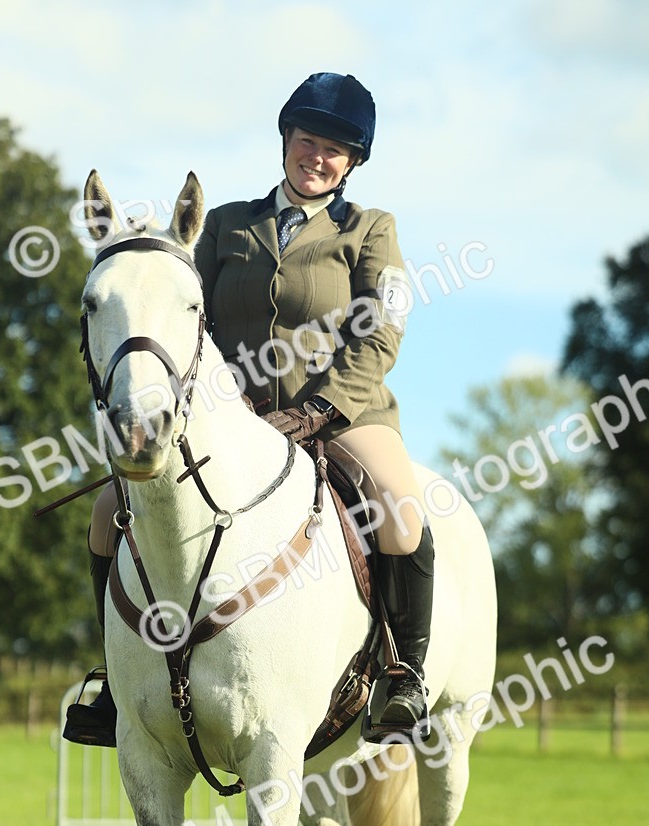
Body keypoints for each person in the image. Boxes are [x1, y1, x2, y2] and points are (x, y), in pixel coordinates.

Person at [63, 71, 433, 747]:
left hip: (346, 417)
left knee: (400, 513)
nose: (317, 156)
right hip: (237, 424)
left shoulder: (372, 231)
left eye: (335, 149)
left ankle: (403, 675)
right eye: (309, 139)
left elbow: (381, 332)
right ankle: (117, 683)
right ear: (287, 140)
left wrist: (321, 408)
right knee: (103, 514)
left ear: (352, 164)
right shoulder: (226, 225)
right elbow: (181, 317)